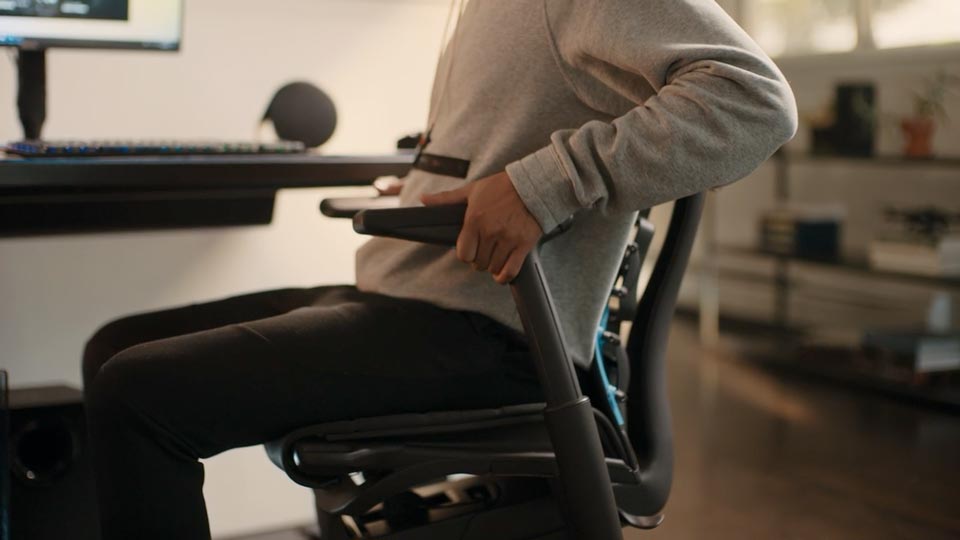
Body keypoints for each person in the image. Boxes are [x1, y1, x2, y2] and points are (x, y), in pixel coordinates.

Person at [82, 1, 797, 538]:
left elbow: (755, 101)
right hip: (413, 291)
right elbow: (504, 148)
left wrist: (542, 187)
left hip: (493, 330)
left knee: (136, 396)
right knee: (112, 349)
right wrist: (434, 184)